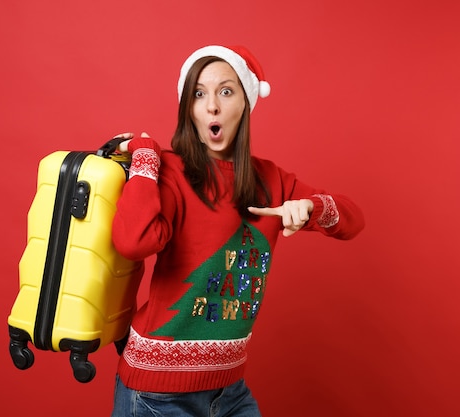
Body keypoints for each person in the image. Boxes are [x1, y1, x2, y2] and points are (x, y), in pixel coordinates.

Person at [109, 45, 365, 416]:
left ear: (245, 103)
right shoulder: (173, 172)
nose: (212, 106)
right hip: (157, 394)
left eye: (225, 91)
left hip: (230, 391)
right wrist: (146, 157)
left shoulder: (272, 180)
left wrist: (312, 207)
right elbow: (133, 241)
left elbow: (354, 221)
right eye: (199, 94)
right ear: (190, 111)